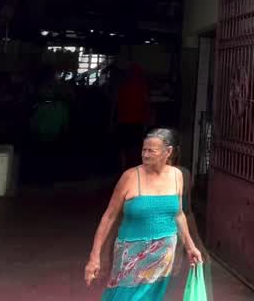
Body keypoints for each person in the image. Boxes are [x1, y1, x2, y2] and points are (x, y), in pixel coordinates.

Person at [85, 128, 202, 300]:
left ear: (168, 152)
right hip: (131, 253)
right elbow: (109, 217)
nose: (145, 155)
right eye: (144, 150)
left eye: (151, 151)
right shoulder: (130, 177)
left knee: (152, 296)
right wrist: (94, 257)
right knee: (123, 296)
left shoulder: (177, 176)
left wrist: (191, 246)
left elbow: (178, 214)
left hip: (163, 253)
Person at [111, 60, 154, 170]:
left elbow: (116, 103)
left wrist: (112, 119)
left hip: (124, 120)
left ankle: (124, 166)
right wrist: (148, 118)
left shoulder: (123, 84)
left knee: (124, 146)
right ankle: (135, 166)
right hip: (137, 121)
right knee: (135, 146)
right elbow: (146, 102)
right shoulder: (142, 86)